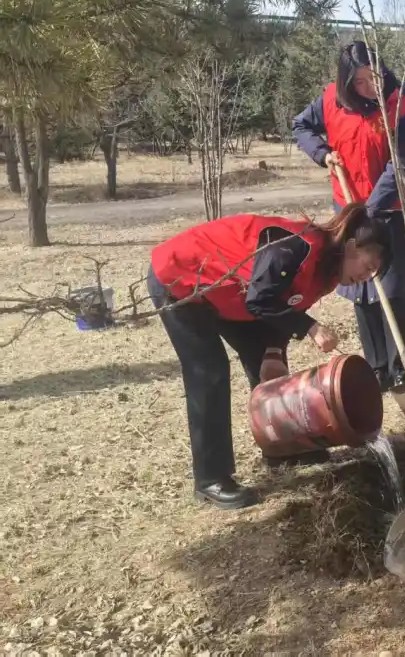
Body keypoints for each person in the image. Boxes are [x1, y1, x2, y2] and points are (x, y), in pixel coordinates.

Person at [147, 203, 390, 510]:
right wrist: (311, 327)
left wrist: (273, 351)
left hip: (229, 293)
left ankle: (281, 448)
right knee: (209, 373)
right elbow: (261, 299)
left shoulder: (327, 272)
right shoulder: (297, 248)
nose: (367, 277)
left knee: (265, 365)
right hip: (181, 279)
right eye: (368, 267)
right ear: (353, 246)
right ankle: (211, 478)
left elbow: (284, 304)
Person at [292, 41, 405, 399]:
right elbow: (300, 125)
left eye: (374, 77)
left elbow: (403, 163)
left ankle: (401, 371)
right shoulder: (331, 99)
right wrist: (322, 154)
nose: (370, 88)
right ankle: (376, 367)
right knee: (360, 288)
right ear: (347, 83)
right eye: (361, 82)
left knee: (392, 287)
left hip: (392, 208)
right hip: (348, 207)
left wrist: (372, 210)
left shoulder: (402, 102)